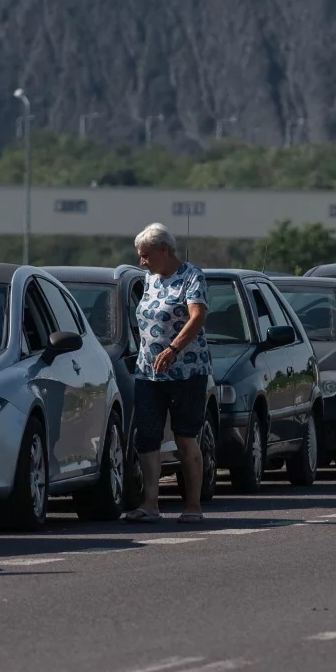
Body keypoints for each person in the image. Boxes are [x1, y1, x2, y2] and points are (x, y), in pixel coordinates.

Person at [125, 222, 211, 524]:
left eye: (146, 255)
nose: (142, 261)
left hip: (186, 372)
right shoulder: (149, 280)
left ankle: (192, 505)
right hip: (149, 373)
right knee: (147, 437)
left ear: (164, 250)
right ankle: (150, 504)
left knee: (185, 437)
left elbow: (197, 316)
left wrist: (173, 349)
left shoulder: (191, 276)